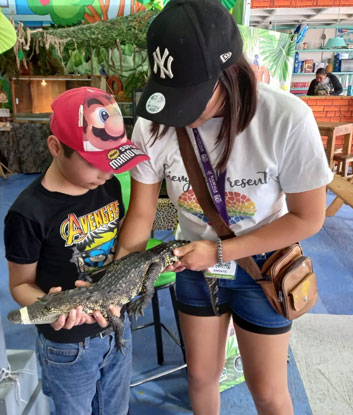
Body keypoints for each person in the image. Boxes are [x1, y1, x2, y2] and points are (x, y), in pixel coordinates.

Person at [116, 1, 333, 414]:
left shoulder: (287, 119)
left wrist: (219, 252)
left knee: (267, 389)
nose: (182, 112)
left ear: (229, 73)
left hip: (264, 265)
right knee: (199, 376)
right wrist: (121, 276)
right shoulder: (154, 124)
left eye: (192, 96)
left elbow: (309, 217)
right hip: (190, 265)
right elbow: (142, 215)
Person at [4, 86, 149, 415]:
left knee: (116, 409)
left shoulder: (107, 185)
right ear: (56, 147)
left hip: (115, 327)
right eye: (93, 162)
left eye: (111, 160)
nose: (107, 172)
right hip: (68, 348)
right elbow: (19, 286)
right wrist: (54, 308)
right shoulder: (27, 214)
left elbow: (118, 241)